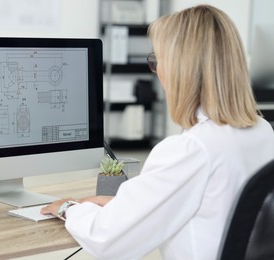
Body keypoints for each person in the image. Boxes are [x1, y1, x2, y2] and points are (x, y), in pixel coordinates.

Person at [41, 5, 274, 260]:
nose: (157, 71)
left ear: (178, 70)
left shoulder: (190, 150)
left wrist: (69, 208)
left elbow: (107, 239)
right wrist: (125, 207)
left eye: (156, 61)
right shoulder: (263, 131)